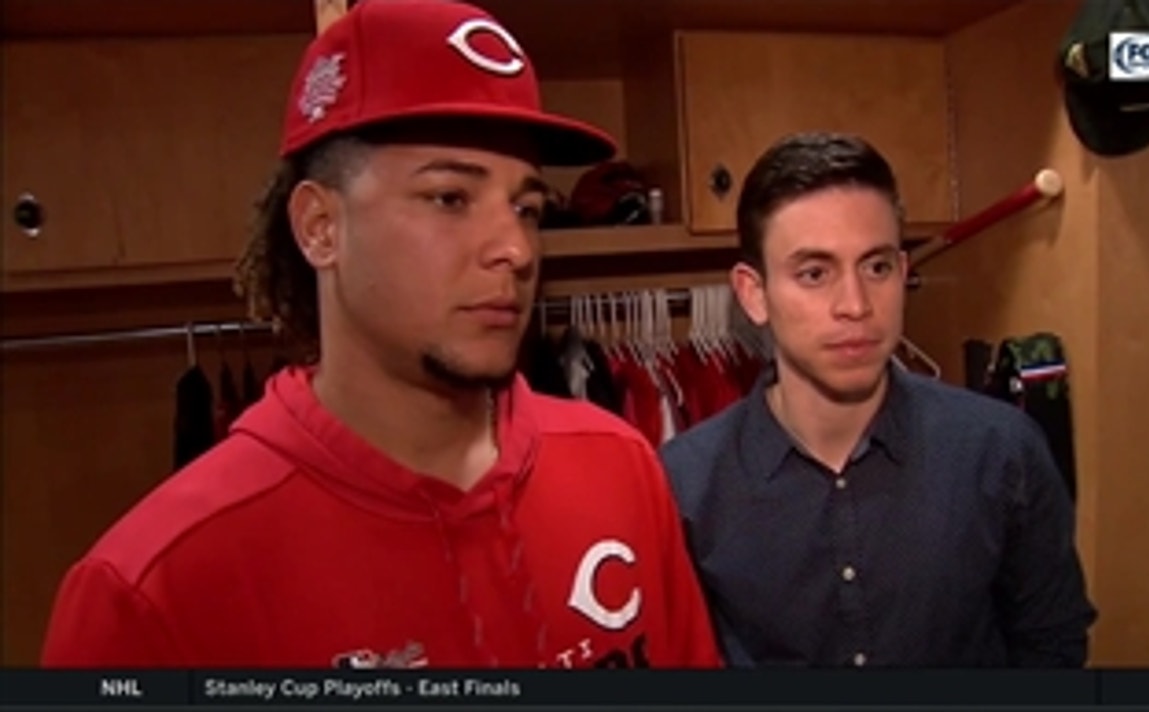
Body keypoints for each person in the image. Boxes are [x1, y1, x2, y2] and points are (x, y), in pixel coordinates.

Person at [42, 0, 721, 670]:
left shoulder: (620, 467)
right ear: (319, 227)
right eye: (450, 198)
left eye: (527, 207)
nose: (514, 248)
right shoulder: (152, 590)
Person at [659, 132, 1097, 668]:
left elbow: (1052, 646)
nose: (856, 304)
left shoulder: (1000, 451)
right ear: (754, 294)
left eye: (877, 267)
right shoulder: (684, 486)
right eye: (815, 273)